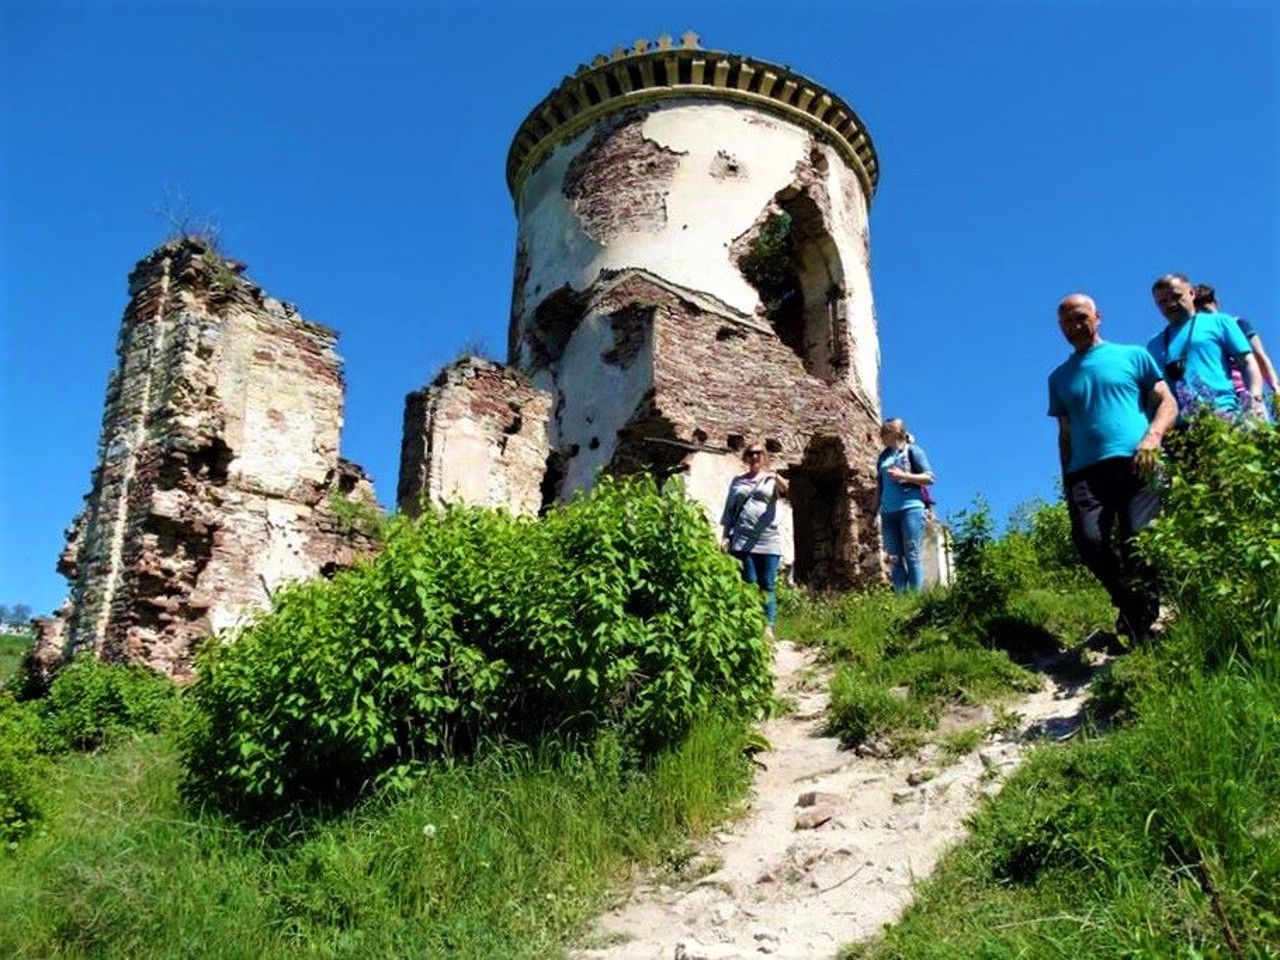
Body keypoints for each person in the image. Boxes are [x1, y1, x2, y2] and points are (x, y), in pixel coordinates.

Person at [1049, 293, 1177, 643]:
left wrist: (1153, 436)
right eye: (1066, 322)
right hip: (1084, 473)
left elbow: (1167, 402)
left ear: (1097, 316)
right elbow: (1065, 432)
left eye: (1080, 318)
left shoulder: (1133, 355)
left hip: (1138, 461)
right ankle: (1132, 607)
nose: (1074, 327)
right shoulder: (1059, 378)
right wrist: (1067, 478)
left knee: (1138, 540)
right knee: (1090, 543)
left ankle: (1143, 625)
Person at [1147, 273, 1263, 422]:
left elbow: (1247, 362)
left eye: (1176, 296)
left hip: (1223, 416)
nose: (1170, 304)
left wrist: (1255, 400)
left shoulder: (1220, 322)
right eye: (1162, 301)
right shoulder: (1154, 344)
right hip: (1178, 431)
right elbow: (1152, 394)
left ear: (1191, 294)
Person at [720, 443, 789, 635]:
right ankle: (751, 625)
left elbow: (788, 490)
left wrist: (775, 475)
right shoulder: (738, 481)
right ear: (746, 458)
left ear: (765, 457)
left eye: (759, 453)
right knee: (749, 582)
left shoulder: (771, 479)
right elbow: (729, 510)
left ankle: (768, 627)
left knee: (767, 584)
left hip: (768, 539)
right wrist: (725, 537)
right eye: (751, 453)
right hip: (742, 538)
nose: (755, 456)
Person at [1192, 282, 1279, 420]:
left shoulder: (1236, 323)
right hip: (1220, 399)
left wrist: (1275, 386)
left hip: (1247, 392)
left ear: (1216, 303)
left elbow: (1259, 356)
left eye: (1207, 311)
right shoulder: (1197, 333)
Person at [871, 419, 934, 593]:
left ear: (894, 433)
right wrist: (872, 512)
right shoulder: (883, 456)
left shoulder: (914, 451)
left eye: (884, 434)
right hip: (888, 512)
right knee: (894, 558)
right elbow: (880, 486)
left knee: (912, 554)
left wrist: (904, 475)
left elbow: (929, 478)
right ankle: (901, 597)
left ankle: (915, 598)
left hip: (911, 508)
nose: (881, 438)